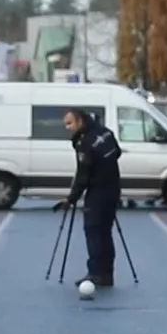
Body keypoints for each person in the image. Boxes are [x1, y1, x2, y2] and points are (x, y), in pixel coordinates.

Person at [54, 107, 122, 289]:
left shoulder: (84, 142)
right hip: (113, 189)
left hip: (97, 192)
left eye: (70, 123)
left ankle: (95, 273)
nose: (68, 128)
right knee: (105, 232)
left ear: (80, 121)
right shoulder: (106, 132)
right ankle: (107, 273)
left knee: (93, 231)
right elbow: (118, 153)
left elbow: (83, 174)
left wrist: (71, 199)